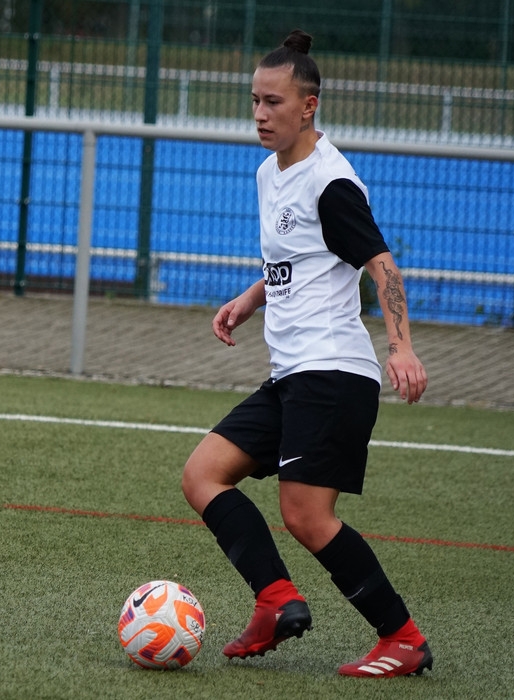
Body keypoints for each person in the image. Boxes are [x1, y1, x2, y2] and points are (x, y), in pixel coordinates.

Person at [180, 30, 432, 678]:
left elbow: (382, 267)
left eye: (274, 102)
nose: (260, 115)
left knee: (306, 516)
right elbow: (297, 259)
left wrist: (401, 348)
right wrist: (251, 298)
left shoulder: (331, 181)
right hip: (292, 374)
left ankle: (402, 637)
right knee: (203, 475)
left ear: (309, 105)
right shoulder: (270, 172)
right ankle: (274, 600)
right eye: (254, 101)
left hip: (334, 373)